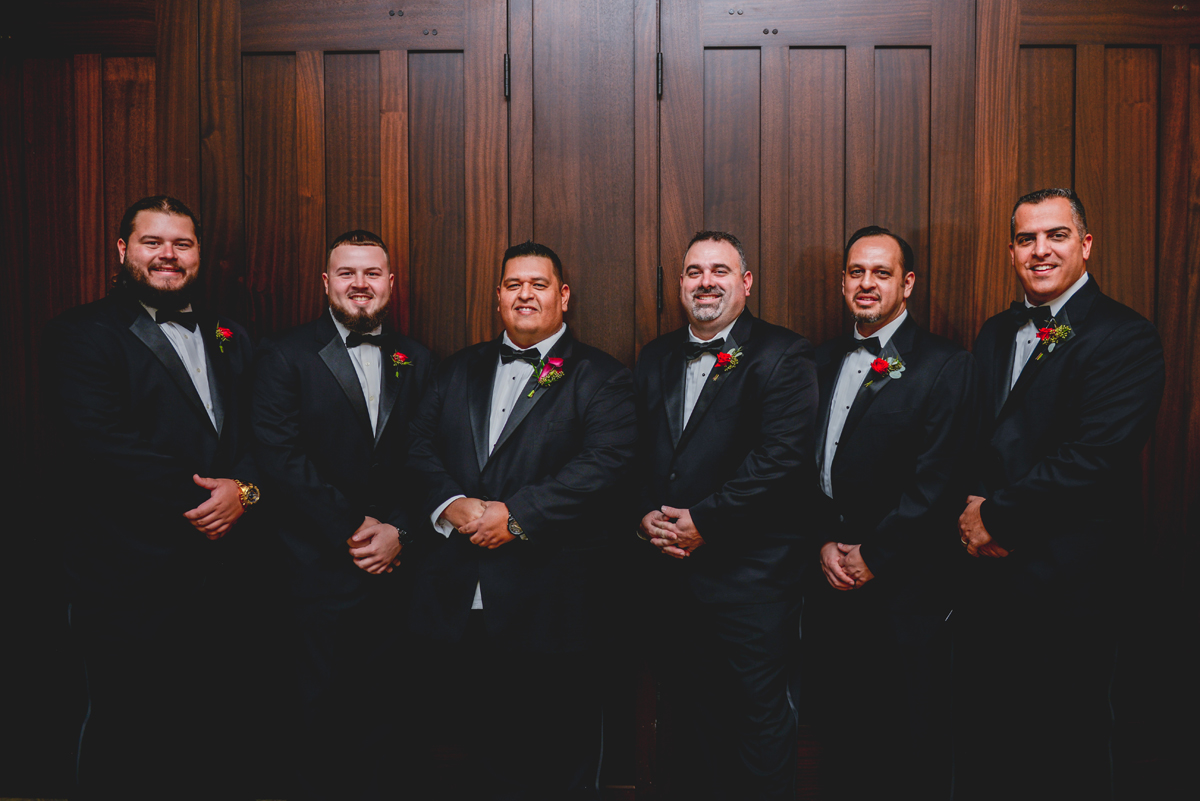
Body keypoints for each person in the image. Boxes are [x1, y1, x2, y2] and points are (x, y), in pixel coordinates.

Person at [43, 195, 260, 799]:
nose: (168, 254)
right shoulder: (80, 333)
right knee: (122, 732)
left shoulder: (233, 336)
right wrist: (210, 504)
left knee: (208, 734)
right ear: (123, 250)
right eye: (152, 242)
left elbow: (260, 433)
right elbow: (103, 446)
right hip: (125, 578)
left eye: (182, 243)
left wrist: (243, 490)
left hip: (223, 580)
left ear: (198, 253)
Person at [404, 240, 636, 799]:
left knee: (564, 748)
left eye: (538, 284)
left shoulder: (603, 376)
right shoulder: (457, 368)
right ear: (498, 297)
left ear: (564, 296)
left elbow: (605, 465)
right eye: (513, 284)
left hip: (556, 599)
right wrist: (450, 507)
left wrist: (516, 516)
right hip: (468, 597)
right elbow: (415, 448)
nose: (525, 294)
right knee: (486, 742)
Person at [957, 188, 1165, 800]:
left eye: (1056, 235)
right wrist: (971, 516)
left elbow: (1094, 459)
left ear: (1085, 244)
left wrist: (996, 517)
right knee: (997, 743)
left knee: (1070, 746)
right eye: (1026, 238)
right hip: (988, 584)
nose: (1040, 250)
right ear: (1013, 249)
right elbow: (976, 438)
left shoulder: (1126, 335)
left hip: (1074, 586)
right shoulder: (996, 333)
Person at [633, 230, 818, 800]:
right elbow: (639, 451)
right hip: (672, 580)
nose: (705, 281)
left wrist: (704, 522)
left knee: (759, 723)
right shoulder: (656, 355)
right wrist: (643, 515)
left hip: (752, 581)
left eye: (719, 270)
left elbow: (780, 461)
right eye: (693, 271)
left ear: (745, 282)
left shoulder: (785, 353)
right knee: (690, 722)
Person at [251, 229, 434, 800]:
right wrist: (354, 532)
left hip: (397, 572)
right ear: (327, 282)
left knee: (387, 712)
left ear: (390, 284)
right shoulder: (284, 355)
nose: (361, 284)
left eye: (372, 274)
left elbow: (430, 456)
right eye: (348, 274)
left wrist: (399, 530)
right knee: (313, 711)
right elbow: (279, 457)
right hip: (315, 570)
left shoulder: (418, 357)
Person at [804, 226, 976, 799]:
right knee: (845, 735)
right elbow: (806, 468)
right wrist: (825, 542)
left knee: (909, 739)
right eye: (857, 272)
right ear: (843, 282)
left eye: (881, 273)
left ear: (907, 284)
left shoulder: (945, 364)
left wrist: (875, 556)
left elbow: (938, 482)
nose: (867, 283)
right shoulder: (821, 358)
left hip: (907, 588)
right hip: (831, 583)